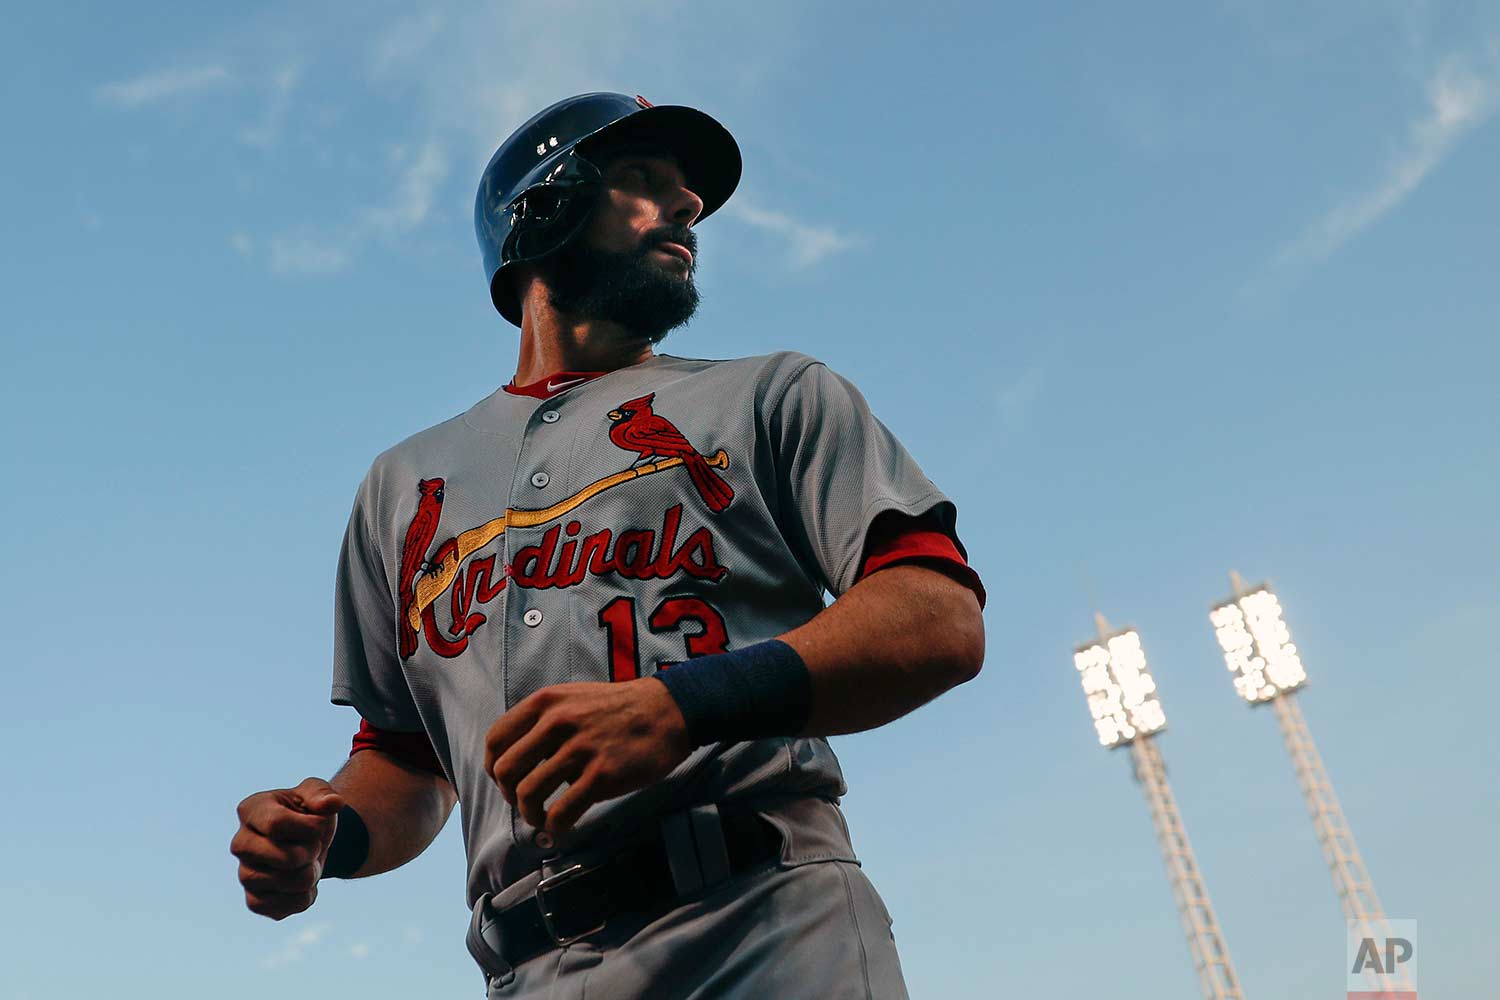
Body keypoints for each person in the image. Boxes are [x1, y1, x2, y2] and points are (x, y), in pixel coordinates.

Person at [231, 92, 986, 999]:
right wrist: (332, 834)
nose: (687, 207)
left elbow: (937, 614)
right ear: (541, 211)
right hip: (530, 965)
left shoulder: (775, 394)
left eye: (686, 192)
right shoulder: (404, 485)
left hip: (763, 922)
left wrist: (682, 707)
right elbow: (405, 756)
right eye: (640, 180)